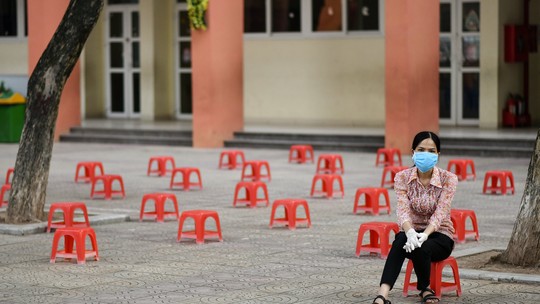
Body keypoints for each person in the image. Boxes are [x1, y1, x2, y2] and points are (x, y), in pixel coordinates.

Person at [372, 131, 458, 304]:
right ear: (413, 152)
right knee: (399, 241)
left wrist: (424, 234)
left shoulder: (448, 178)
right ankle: (383, 294)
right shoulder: (402, 177)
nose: (426, 154)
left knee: (422, 246)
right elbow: (402, 210)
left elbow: (441, 212)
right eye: (421, 149)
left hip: (440, 235)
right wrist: (410, 232)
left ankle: (425, 288)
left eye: (431, 151)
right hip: (412, 230)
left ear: (438, 154)